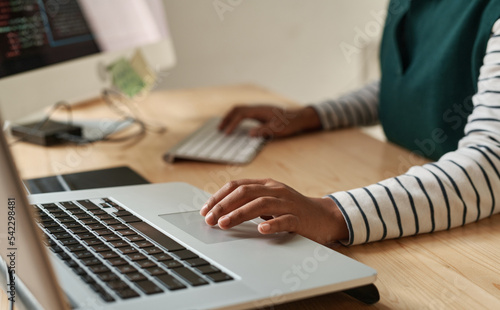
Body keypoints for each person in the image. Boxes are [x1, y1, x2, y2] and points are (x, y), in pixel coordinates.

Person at [200, 0, 500, 246]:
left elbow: (492, 166)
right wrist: (311, 116)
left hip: (475, 234)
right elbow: (402, 85)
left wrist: (332, 213)